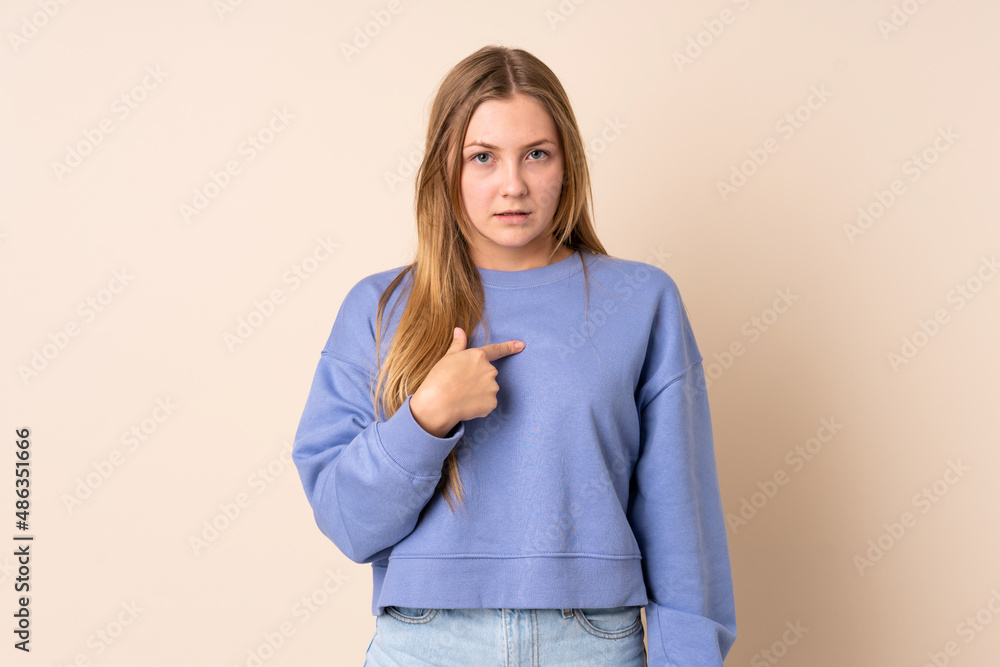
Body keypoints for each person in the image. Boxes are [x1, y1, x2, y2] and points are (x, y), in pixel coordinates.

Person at [291, 44, 737, 666]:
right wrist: (425, 417)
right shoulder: (380, 307)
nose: (513, 185)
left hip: (591, 645)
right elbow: (347, 523)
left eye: (536, 154)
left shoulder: (641, 300)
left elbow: (682, 522)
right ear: (445, 169)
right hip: (426, 645)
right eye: (483, 157)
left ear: (568, 163)